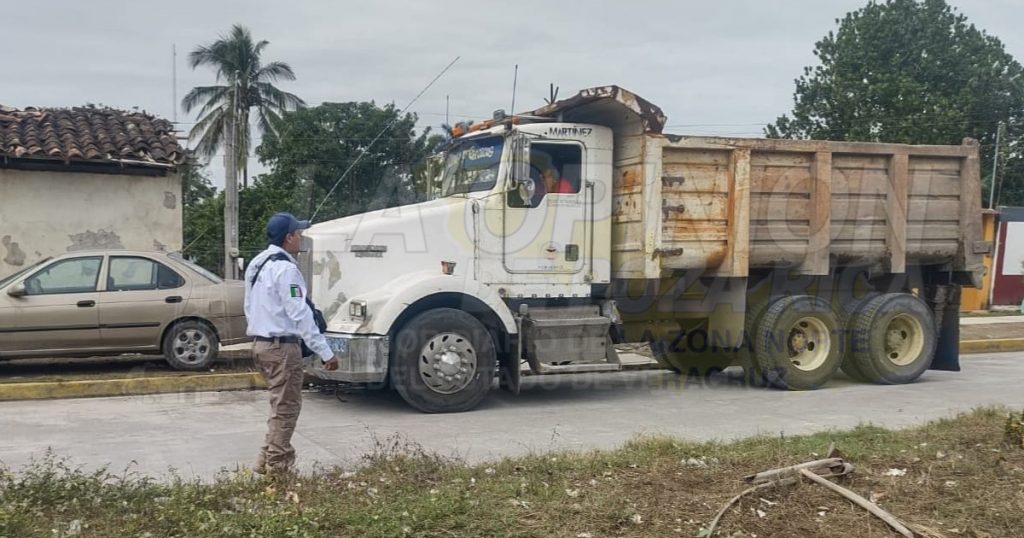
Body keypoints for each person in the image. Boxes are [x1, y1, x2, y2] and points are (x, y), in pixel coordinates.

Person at [244, 212, 339, 475]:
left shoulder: (257, 263)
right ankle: (279, 469)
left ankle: (264, 461)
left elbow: (249, 305)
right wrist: (326, 352)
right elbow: (300, 313)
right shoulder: (286, 269)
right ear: (288, 238)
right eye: (298, 233)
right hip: (282, 348)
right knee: (287, 408)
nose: (301, 238)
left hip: (262, 344)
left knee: (280, 405)